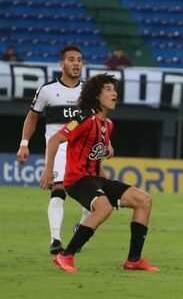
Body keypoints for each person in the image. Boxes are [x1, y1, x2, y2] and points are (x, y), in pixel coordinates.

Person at [40, 74, 158, 273]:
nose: (114, 94)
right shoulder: (81, 118)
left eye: (115, 90)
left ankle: (133, 260)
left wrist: (103, 165)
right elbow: (54, 140)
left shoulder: (108, 125)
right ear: (96, 96)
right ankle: (65, 255)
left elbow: (92, 156)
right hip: (77, 180)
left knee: (144, 200)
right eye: (109, 90)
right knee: (103, 209)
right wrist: (48, 170)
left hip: (95, 179)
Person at [16, 45, 113, 254]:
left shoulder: (89, 91)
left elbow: (100, 119)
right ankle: (55, 240)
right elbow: (32, 116)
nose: (76, 63)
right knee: (58, 191)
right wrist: (24, 143)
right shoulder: (47, 90)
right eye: (71, 60)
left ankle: (81, 226)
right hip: (59, 148)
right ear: (62, 64)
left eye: (79, 59)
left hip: (84, 150)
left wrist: (108, 143)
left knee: (96, 192)